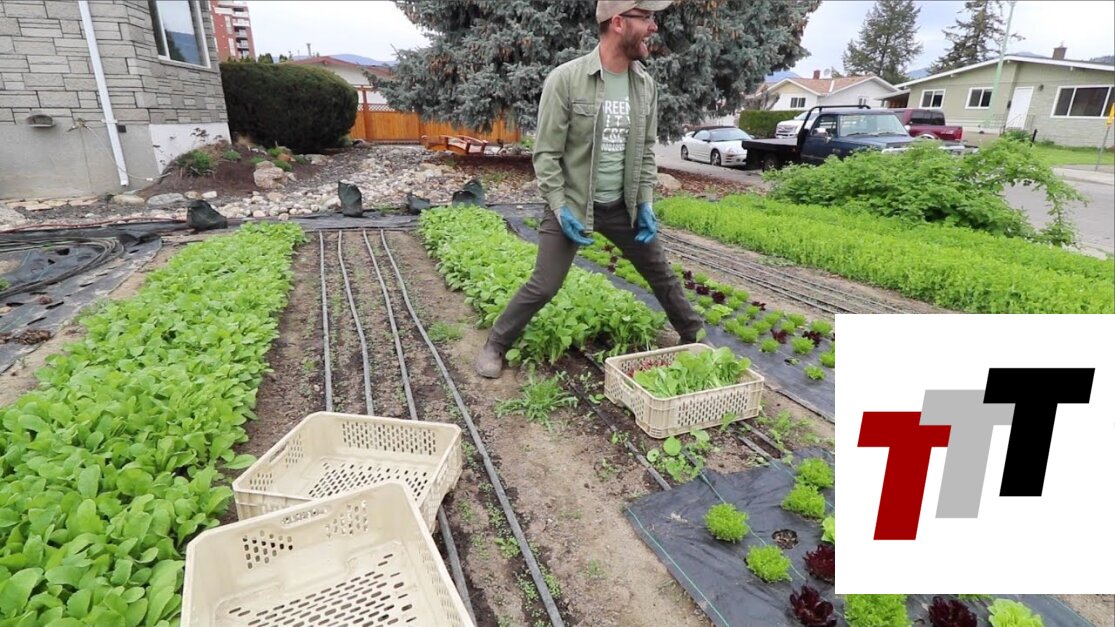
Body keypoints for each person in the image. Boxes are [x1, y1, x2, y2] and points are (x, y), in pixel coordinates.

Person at [474, 0, 703, 379]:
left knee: (661, 273)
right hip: (574, 204)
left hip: (624, 206)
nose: (653, 27)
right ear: (618, 22)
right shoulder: (566, 79)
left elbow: (647, 149)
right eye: (646, 18)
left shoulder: (644, 85)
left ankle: (694, 336)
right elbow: (546, 153)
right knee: (544, 285)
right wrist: (559, 206)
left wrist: (645, 201)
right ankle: (496, 343)